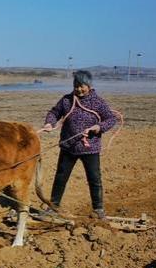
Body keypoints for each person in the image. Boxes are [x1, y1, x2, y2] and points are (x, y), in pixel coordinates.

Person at [41, 70, 116, 218]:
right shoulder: (66, 100)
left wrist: (98, 127)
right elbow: (54, 112)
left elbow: (111, 119)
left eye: (82, 86)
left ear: (89, 85)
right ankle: (53, 208)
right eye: (76, 85)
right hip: (68, 146)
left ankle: (98, 209)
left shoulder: (98, 102)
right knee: (60, 178)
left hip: (90, 148)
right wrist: (50, 123)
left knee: (94, 178)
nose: (79, 89)